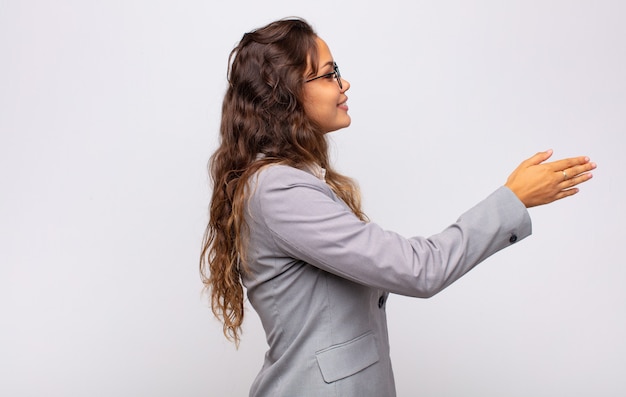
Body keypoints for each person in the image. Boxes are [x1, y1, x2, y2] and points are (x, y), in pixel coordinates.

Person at [200, 17, 595, 397]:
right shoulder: (279, 190)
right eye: (328, 73)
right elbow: (417, 270)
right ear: (285, 94)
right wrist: (513, 198)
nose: (344, 83)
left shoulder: (291, 182)